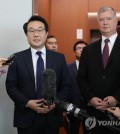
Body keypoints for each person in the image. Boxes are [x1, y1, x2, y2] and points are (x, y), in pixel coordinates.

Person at [6, 15, 70, 134]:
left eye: (40, 30)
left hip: (52, 116)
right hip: (26, 117)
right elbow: (11, 86)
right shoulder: (16, 58)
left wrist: (55, 104)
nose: (36, 34)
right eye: (31, 31)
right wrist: (27, 103)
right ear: (26, 35)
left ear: (46, 33)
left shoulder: (59, 58)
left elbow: (66, 85)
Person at [77, 6, 120, 134]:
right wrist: (90, 98)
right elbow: (81, 78)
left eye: (108, 18)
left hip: (117, 113)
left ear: (116, 21)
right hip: (93, 114)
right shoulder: (88, 50)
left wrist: (117, 98)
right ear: (98, 23)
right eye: (101, 20)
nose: (105, 22)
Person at [67, 40, 87, 134]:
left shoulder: (95, 68)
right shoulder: (67, 68)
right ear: (74, 52)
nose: (82, 50)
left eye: (84, 48)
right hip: (73, 107)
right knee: (73, 131)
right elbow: (65, 87)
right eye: (79, 48)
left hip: (90, 107)